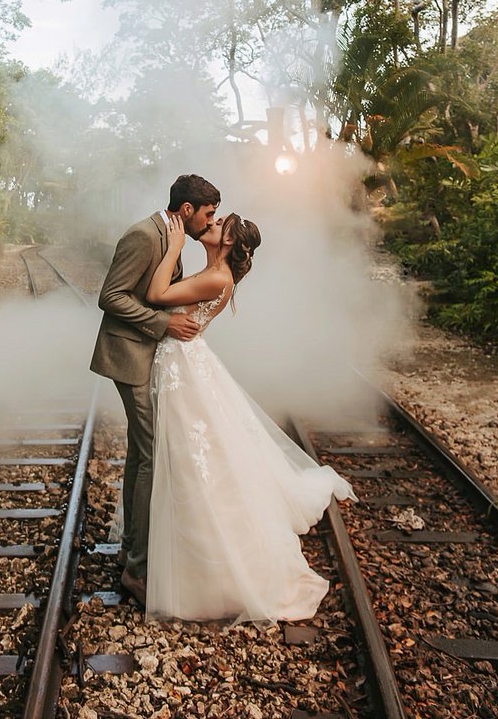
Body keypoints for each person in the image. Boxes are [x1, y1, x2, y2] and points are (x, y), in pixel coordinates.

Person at [144, 213, 355, 623]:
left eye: (221, 223)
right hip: (183, 366)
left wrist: (172, 248)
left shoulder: (217, 277)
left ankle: (212, 573)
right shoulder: (213, 271)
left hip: (184, 370)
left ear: (228, 244)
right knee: (193, 462)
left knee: (193, 463)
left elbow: (155, 293)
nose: (213, 223)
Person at [90, 173, 221, 607]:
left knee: (141, 455)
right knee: (149, 456)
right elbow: (111, 296)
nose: (210, 221)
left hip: (149, 355)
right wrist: (164, 324)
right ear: (187, 211)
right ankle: (137, 570)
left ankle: (133, 551)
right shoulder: (144, 236)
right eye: (208, 214)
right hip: (129, 355)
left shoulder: (173, 236)